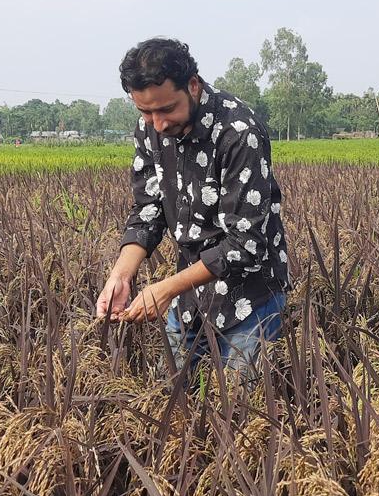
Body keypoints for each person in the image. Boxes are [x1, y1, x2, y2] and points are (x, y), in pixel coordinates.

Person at [95, 38, 290, 373]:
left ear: (193, 85)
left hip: (249, 301)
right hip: (191, 299)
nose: (157, 124)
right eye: (145, 111)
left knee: (242, 409)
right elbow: (148, 210)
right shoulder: (151, 128)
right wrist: (122, 275)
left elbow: (244, 245)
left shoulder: (239, 133)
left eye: (166, 109)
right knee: (168, 395)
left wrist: (166, 288)